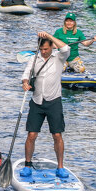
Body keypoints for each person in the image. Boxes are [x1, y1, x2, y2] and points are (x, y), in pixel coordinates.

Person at [20, 31, 70, 175]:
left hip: (54, 101)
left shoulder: (59, 57)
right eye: (41, 49)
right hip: (37, 101)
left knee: (57, 136)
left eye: (46, 49)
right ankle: (27, 165)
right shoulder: (35, 58)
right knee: (31, 135)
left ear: (52, 47)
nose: (43, 52)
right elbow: (27, 73)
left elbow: (66, 48)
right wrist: (25, 82)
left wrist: (48, 36)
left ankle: (60, 167)